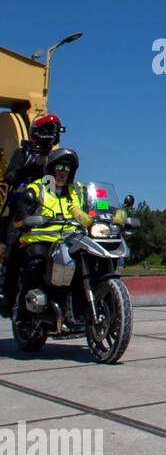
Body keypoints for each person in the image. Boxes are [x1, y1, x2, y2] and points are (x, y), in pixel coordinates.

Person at [5, 148, 90, 321]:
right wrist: (28, 219)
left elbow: (95, 208)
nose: (62, 172)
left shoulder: (79, 191)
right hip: (41, 239)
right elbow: (20, 218)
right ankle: (24, 310)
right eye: (59, 167)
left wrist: (114, 213)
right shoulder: (36, 189)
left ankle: (82, 307)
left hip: (70, 240)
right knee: (37, 259)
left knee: (89, 259)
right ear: (51, 168)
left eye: (67, 168)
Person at [0, 115, 66, 317]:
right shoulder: (23, 153)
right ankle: (6, 295)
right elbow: (10, 176)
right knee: (14, 247)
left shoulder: (55, 158)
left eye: (54, 130)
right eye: (47, 129)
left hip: (48, 213)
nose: (51, 135)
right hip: (23, 211)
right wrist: (32, 165)